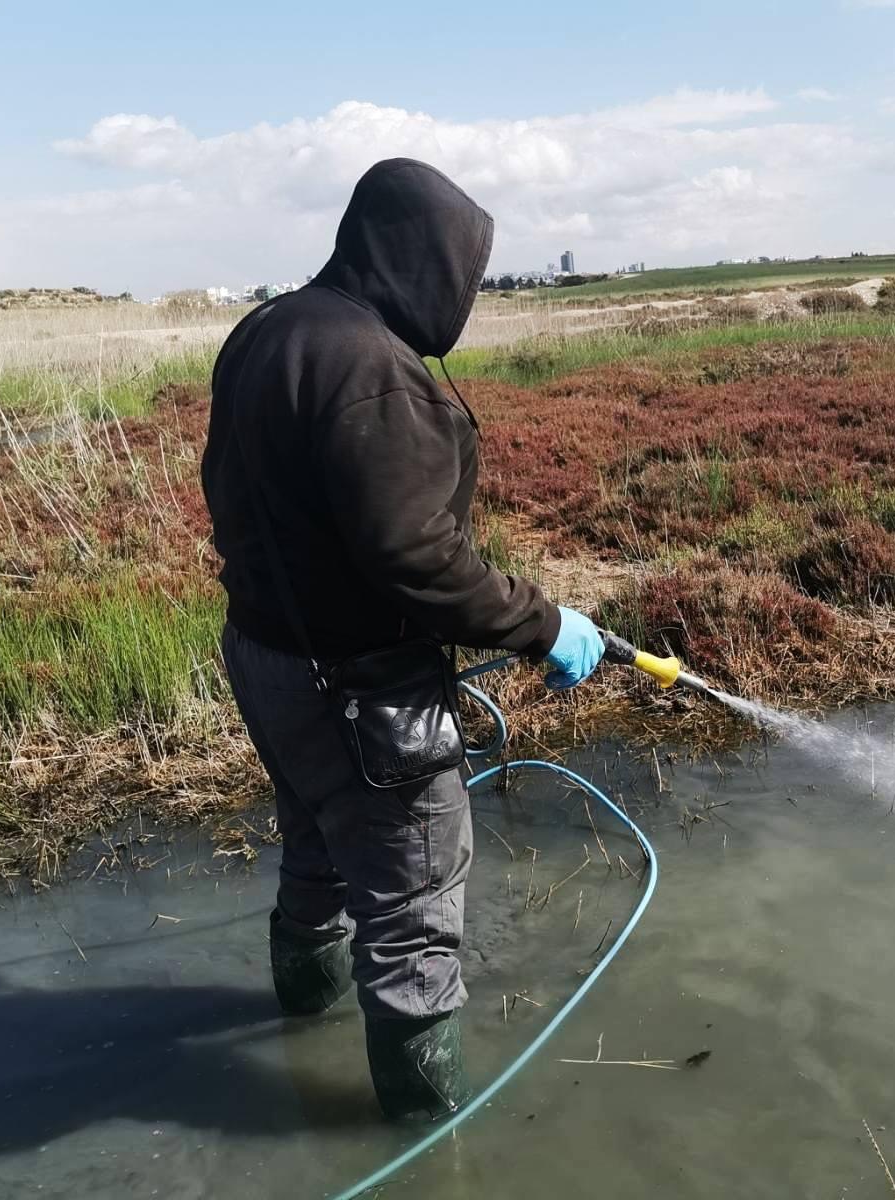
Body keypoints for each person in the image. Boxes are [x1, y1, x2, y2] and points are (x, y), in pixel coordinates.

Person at [200, 158, 605, 1120]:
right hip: (360, 693)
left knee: (317, 850)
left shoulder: (267, 329)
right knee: (414, 915)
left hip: (264, 660)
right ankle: (421, 1142)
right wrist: (547, 625)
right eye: (462, 272)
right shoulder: (374, 371)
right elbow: (419, 562)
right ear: (419, 258)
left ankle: (303, 1023)